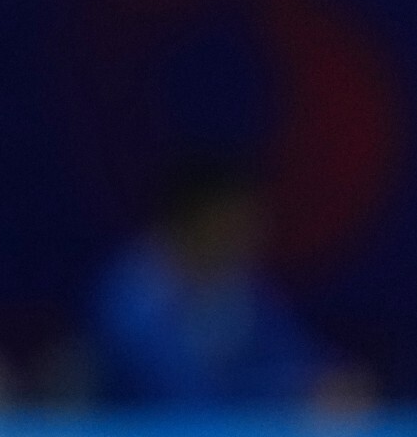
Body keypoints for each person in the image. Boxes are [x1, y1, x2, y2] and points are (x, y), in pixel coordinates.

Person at [89, 159, 332, 408]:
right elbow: (179, 396)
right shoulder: (134, 299)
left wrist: (322, 384)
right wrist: (287, 393)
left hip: (227, 427)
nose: (251, 235)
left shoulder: (246, 285)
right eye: (232, 221)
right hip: (149, 430)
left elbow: (294, 356)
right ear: (197, 220)